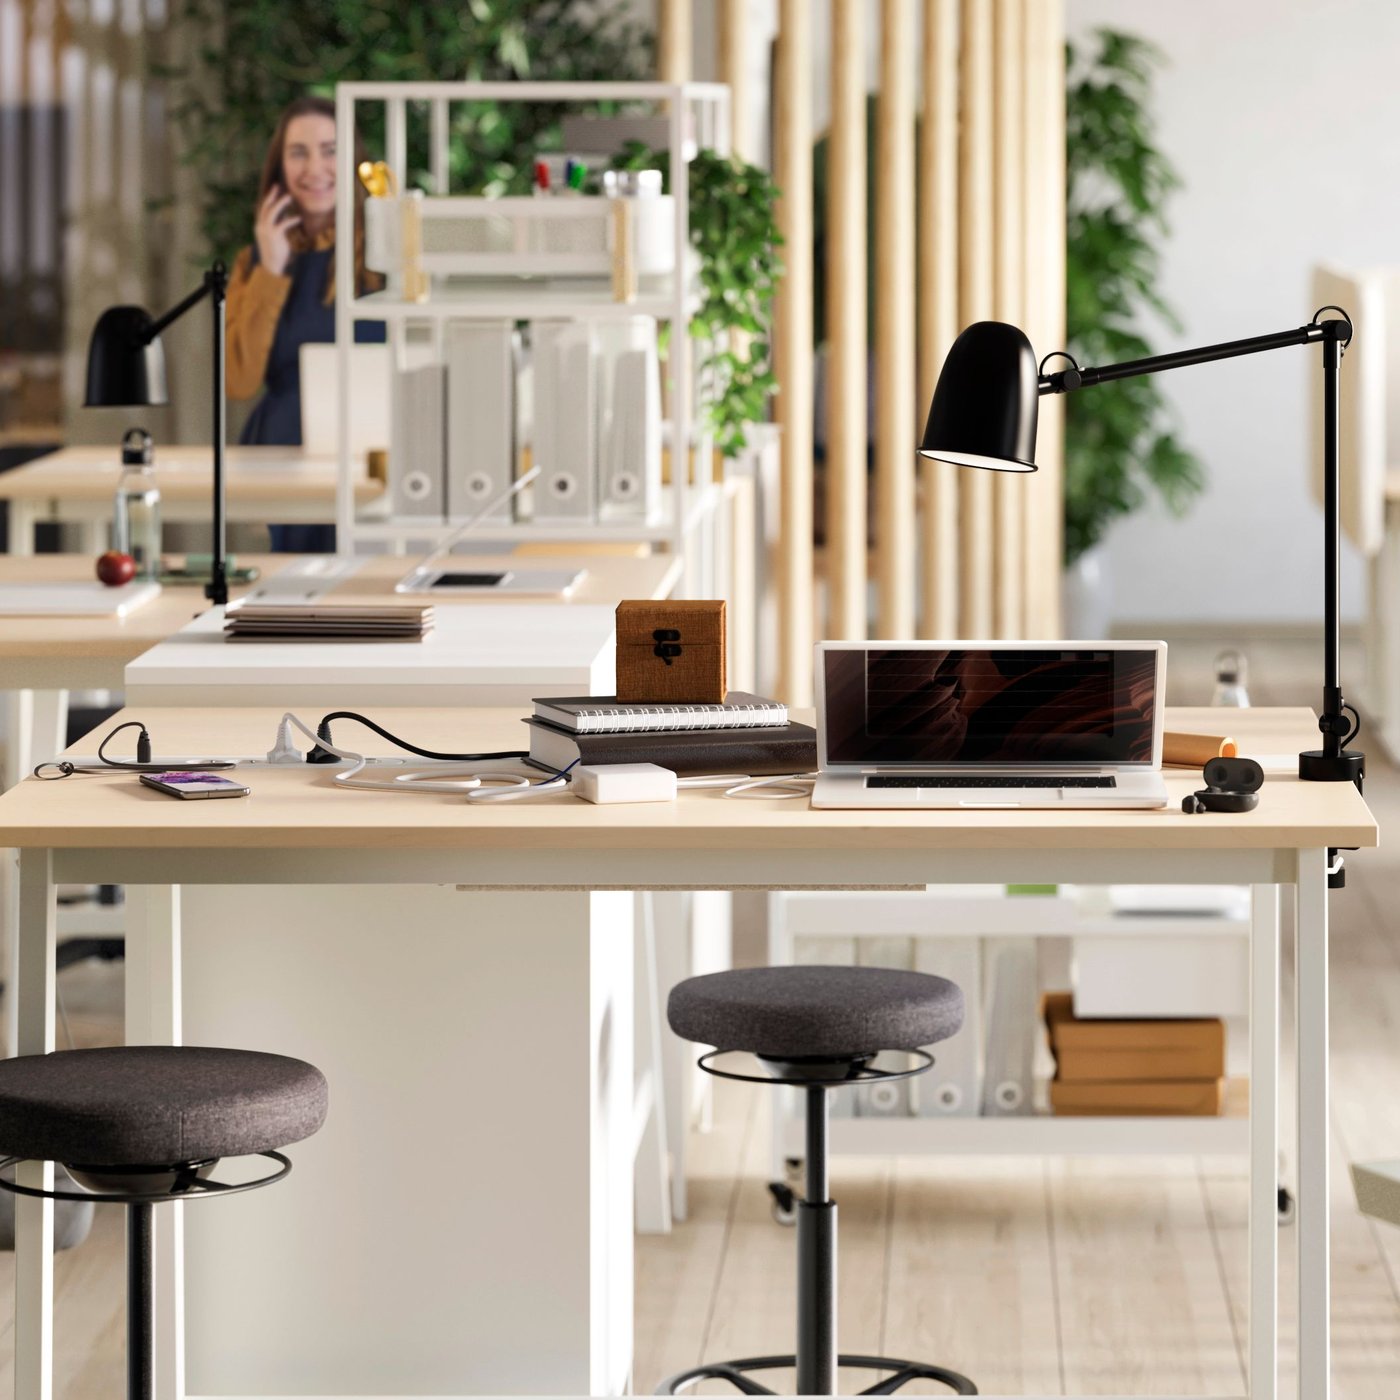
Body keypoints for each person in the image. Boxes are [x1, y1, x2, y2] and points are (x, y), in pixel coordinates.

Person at [225, 95, 384, 551]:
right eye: (299, 152)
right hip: (284, 457)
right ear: (280, 168)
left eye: (330, 150)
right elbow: (238, 381)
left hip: (371, 454)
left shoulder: (385, 253)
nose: (315, 167)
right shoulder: (255, 262)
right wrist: (270, 272)